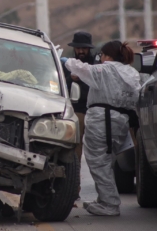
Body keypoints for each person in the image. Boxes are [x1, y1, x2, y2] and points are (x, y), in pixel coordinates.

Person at [65, 40, 140, 216]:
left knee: (98, 162)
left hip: (103, 121)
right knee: (106, 160)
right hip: (120, 121)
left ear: (107, 56)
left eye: (102, 55)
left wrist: (64, 61)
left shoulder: (105, 69)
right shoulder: (131, 72)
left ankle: (110, 204)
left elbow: (81, 68)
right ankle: (105, 199)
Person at [61, 31, 95, 196]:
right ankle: (74, 188)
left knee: (99, 155)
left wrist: (81, 78)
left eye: (84, 48)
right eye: (78, 48)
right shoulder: (68, 65)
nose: (81, 51)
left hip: (96, 112)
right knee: (74, 152)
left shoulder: (96, 64)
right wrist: (70, 79)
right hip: (77, 112)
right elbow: (61, 87)